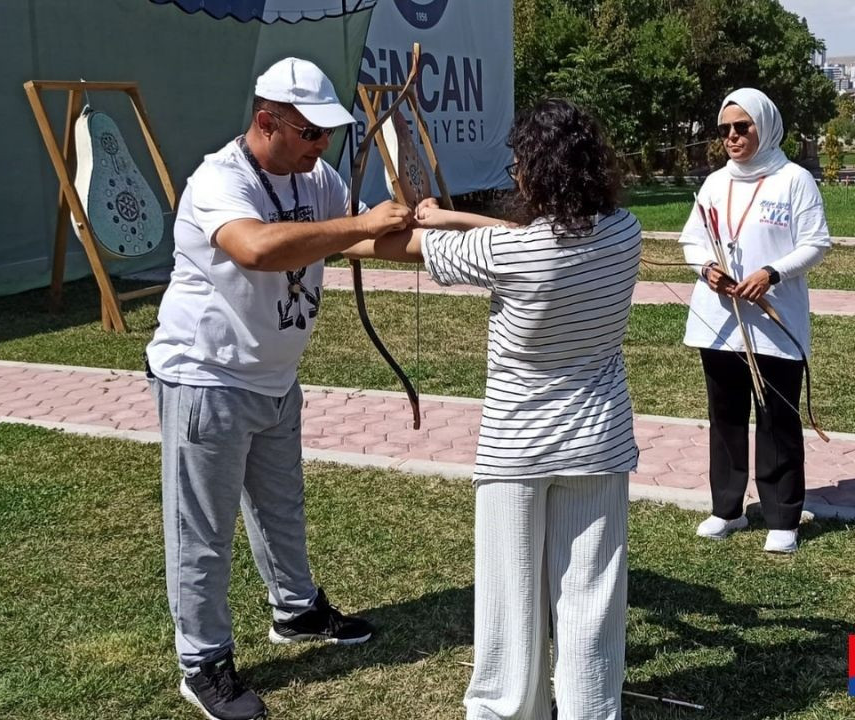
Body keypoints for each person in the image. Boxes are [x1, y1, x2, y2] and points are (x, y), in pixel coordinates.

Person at [346, 98, 641, 720]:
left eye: (520, 163)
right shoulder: (624, 233)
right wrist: (451, 215)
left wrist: (357, 226)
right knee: (590, 598)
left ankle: (509, 710)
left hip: (517, 451)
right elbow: (539, 236)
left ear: (539, 170)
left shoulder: (507, 256)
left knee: (512, 601)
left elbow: (390, 248)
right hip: (598, 444)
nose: (515, 174)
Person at [145, 57, 412, 720]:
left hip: (272, 377)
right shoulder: (218, 180)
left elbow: (367, 242)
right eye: (311, 133)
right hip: (207, 377)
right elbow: (258, 248)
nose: (324, 146)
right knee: (203, 531)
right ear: (268, 122)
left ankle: (295, 611)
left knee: (281, 507)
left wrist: (440, 231)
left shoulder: (314, 177)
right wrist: (361, 225)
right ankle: (202, 662)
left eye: (328, 134)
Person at [678, 88, 832, 554]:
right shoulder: (714, 183)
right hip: (719, 322)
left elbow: (816, 242)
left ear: (763, 127)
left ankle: (783, 515)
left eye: (741, 127)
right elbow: (693, 239)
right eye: (724, 129)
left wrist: (771, 273)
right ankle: (728, 509)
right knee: (725, 416)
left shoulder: (794, 179)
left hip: (773, 319)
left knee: (775, 418)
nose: (732, 137)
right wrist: (707, 269)